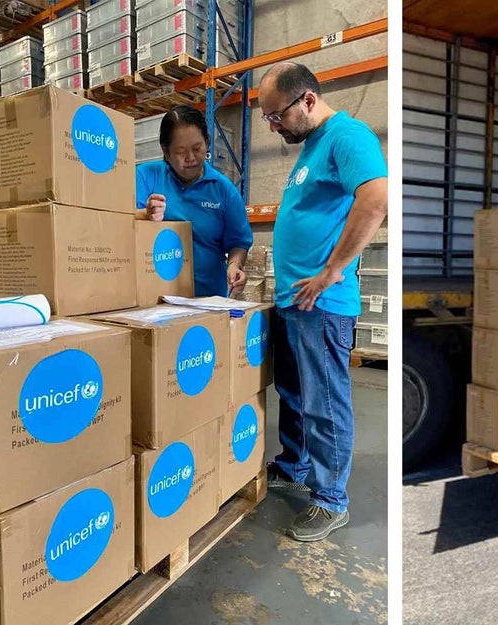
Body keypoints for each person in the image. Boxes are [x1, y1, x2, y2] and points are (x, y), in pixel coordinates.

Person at [258, 62, 388, 542]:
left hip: (323, 305)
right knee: (293, 394)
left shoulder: (346, 136)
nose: (273, 126)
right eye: (268, 118)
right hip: (295, 302)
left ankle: (331, 500)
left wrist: (332, 270)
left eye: (277, 116)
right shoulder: (312, 146)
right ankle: (295, 465)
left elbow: (376, 199)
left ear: (308, 100)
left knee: (325, 403)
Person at [137, 105, 253, 297]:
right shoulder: (146, 176)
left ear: (207, 142)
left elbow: (239, 242)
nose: (190, 158)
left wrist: (235, 265)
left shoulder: (224, 190)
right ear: (165, 151)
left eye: (197, 148)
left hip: (207, 298)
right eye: (180, 151)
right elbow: (119, 220)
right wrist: (145, 214)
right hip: (153, 298)